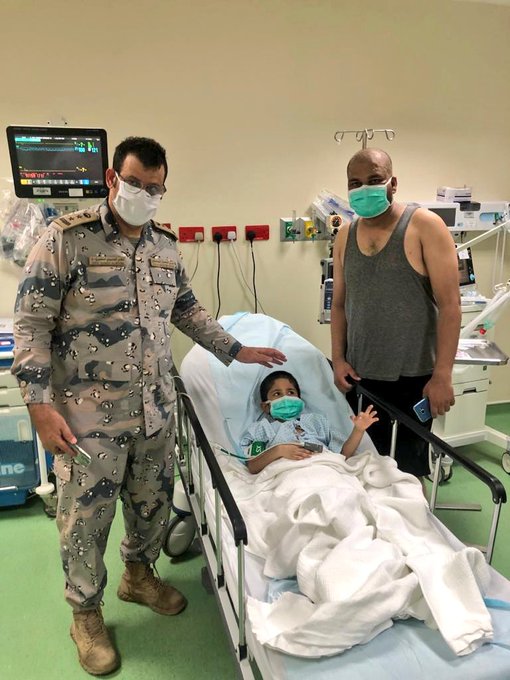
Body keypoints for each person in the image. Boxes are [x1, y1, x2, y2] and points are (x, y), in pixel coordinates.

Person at [11, 136, 286, 677]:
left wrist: (236, 348)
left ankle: (139, 576)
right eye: (135, 183)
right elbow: (31, 325)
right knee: (85, 520)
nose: (145, 194)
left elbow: (186, 310)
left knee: (151, 505)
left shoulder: (164, 246)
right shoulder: (66, 239)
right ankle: (85, 615)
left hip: (154, 411)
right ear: (113, 179)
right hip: (85, 420)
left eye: (155, 188)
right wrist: (39, 407)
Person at [331, 147, 461, 480]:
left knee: (407, 474)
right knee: (361, 467)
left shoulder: (424, 226)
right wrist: (338, 359)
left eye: (374, 179)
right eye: (355, 183)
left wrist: (442, 375)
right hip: (361, 376)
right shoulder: (345, 236)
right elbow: (339, 305)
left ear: (393, 183)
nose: (364, 189)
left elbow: (450, 305)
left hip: (413, 378)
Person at [240, 371, 378, 474]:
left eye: (291, 392)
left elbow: (344, 454)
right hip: (290, 473)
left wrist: (358, 430)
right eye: (277, 394)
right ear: (266, 406)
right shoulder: (262, 428)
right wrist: (280, 450)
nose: (286, 398)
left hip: (325, 469)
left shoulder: (317, 421)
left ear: (299, 400)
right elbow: (253, 466)